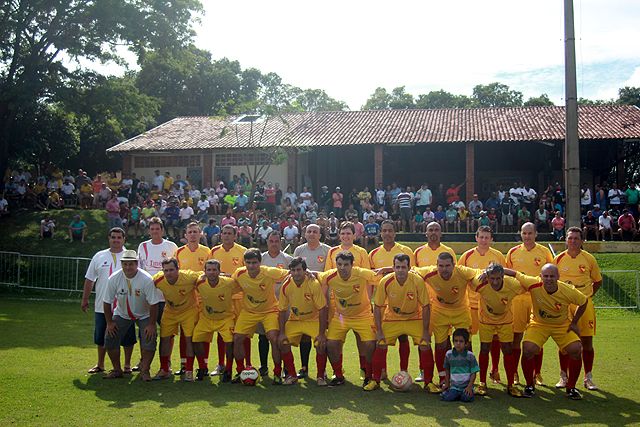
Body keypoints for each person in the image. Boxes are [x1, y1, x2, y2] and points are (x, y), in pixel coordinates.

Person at [509, 264, 589, 399]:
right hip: (539, 324)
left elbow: (583, 301)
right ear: (540, 276)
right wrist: (489, 272)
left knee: (576, 349)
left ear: (558, 277)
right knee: (528, 348)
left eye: (552, 276)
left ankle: (571, 388)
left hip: (561, 325)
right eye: (545, 276)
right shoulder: (533, 283)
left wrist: (574, 322)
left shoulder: (567, 290)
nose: (549, 279)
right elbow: (514, 273)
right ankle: (529, 385)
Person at [367, 254, 439, 392]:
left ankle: (429, 383)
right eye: (397, 267)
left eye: (403, 267)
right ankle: (375, 380)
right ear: (393, 267)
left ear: (409, 268)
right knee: (380, 344)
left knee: (425, 345)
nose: (400, 270)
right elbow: (378, 307)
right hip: (393, 317)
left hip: (414, 317)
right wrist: (379, 331)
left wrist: (425, 331)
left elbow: (425, 306)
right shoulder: (385, 281)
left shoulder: (417, 281)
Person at [413, 253, 479, 387]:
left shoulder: (462, 272)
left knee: (466, 344)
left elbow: (478, 273)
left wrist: (479, 277)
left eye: (448, 265)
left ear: (454, 265)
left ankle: (468, 378)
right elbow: (412, 270)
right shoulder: (430, 273)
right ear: (436, 266)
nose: (444, 269)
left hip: (460, 310)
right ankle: (443, 377)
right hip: (440, 311)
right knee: (440, 345)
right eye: (441, 266)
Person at [318, 251, 381, 387]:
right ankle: (338, 375)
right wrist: (306, 273)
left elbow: (381, 276)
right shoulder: (330, 276)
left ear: (352, 265)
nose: (342, 268)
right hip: (341, 316)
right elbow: (316, 275)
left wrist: (389, 269)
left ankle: (368, 375)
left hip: (363, 315)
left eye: (346, 264)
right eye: (339, 264)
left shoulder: (361, 273)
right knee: (331, 344)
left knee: (370, 344)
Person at [554, 227, 602, 392]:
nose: (573, 241)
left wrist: (586, 297)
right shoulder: (558, 259)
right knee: (564, 343)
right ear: (566, 240)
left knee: (587, 342)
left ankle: (588, 377)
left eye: (576, 238)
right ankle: (563, 376)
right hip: (565, 306)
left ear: (582, 240)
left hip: (585, 305)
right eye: (570, 238)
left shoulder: (589, 259)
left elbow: (597, 281)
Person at [231, 249, 290, 384]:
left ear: (260, 262)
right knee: (237, 338)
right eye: (248, 263)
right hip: (249, 312)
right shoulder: (239, 273)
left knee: (273, 338)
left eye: (255, 263)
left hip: (269, 310)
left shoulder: (269, 272)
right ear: (244, 262)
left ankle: (277, 373)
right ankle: (240, 371)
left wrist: (310, 273)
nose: (251, 266)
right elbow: (229, 284)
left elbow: (290, 273)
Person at [81, 227, 135, 375]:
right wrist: (85, 299)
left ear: (124, 239)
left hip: (126, 305)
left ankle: (127, 365)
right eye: (113, 237)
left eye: (119, 237)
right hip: (102, 305)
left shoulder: (130, 256)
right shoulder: (99, 256)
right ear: (109, 238)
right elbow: (90, 279)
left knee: (128, 337)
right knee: (101, 337)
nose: (116, 240)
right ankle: (100, 364)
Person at [505, 222, 554, 387]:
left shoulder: (544, 252)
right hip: (518, 300)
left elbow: (551, 274)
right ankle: (515, 373)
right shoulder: (513, 253)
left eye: (530, 233)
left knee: (537, 338)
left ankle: (537, 373)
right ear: (520, 234)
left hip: (537, 300)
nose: (527, 236)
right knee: (516, 338)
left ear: (536, 234)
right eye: (524, 233)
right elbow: (507, 277)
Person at [102, 250, 160, 381]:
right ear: (121, 264)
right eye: (125, 264)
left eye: (131, 264)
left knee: (149, 338)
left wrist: (151, 325)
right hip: (122, 314)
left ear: (136, 264)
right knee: (110, 338)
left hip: (144, 315)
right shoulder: (114, 278)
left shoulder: (146, 279)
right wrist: (110, 323)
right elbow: (107, 302)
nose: (128, 267)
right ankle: (117, 370)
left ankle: (145, 370)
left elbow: (154, 304)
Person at [469, 263, 525, 397]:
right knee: (484, 348)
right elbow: (467, 278)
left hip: (505, 320)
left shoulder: (513, 285)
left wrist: (511, 272)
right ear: (487, 277)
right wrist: (482, 271)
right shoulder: (480, 283)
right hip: (486, 321)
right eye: (492, 278)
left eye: (498, 278)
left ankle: (511, 385)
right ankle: (482, 383)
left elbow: (527, 282)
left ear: (503, 277)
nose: (495, 282)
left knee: (507, 349)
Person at [459, 226, 505, 384]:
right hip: (471, 304)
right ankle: (469, 371)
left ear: (491, 239)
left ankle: (495, 370)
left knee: (494, 339)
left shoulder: (498, 256)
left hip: (490, 306)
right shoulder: (466, 256)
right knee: (468, 340)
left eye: (487, 237)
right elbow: (460, 277)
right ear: (476, 238)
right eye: (481, 237)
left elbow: (503, 280)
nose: (484, 240)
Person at [277, 257, 329, 385]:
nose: (296, 273)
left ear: (305, 271)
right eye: (293, 270)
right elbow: (282, 310)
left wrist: (322, 334)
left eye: (299, 270)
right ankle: (292, 375)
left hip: (313, 320)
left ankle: (320, 376)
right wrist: (282, 332)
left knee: (321, 344)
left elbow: (322, 309)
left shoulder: (313, 283)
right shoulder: (286, 286)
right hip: (295, 320)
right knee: (282, 342)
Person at [207, 225, 249, 375]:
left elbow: (247, 274)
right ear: (220, 235)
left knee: (242, 332)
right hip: (221, 298)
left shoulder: (243, 251)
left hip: (239, 298)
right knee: (222, 331)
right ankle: (221, 364)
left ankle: (247, 364)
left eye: (229, 233)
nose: (226, 236)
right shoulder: (213, 251)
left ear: (235, 235)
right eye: (224, 233)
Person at [151, 258, 201, 382]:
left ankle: (189, 371)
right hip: (170, 311)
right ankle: (164, 369)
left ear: (178, 269)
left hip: (189, 310)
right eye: (166, 270)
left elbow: (205, 275)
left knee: (189, 339)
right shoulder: (158, 280)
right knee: (164, 339)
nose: (169, 273)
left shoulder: (189, 277)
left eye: (172, 270)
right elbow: (144, 287)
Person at [174, 222, 211, 377]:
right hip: (187, 298)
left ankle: (204, 365)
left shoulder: (207, 251)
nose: (193, 234)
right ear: (185, 235)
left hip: (203, 298)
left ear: (200, 234)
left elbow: (211, 273)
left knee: (203, 332)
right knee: (185, 332)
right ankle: (184, 364)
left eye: (196, 231)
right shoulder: (179, 252)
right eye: (190, 232)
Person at [258, 232, 293, 376]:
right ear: (267, 242)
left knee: (282, 336)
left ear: (281, 242)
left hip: (283, 304)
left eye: (276, 241)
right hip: (265, 305)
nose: (274, 243)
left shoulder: (287, 259)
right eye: (271, 241)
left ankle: (284, 368)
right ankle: (264, 366)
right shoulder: (261, 258)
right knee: (263, 336)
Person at [441, 328, 479, 402]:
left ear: (466, 343)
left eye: (461, 341)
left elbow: (473, 373)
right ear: (453, 342)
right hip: (454, 387)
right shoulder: (449, 354)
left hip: (466, 386)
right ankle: (454, 394)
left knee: (466, 398)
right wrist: (447, 384)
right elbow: (447, 370)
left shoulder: (470, 356)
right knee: (447, 398)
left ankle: (468, 393)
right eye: (456, 341)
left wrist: (469, 387)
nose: (458, 343)